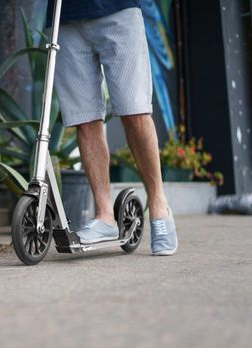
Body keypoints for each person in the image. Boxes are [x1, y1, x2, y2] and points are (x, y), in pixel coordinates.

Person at [47, 0, 177, 255]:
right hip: (65, 16)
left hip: (118, 9)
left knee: (135, 111)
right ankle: (105, 215)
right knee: (85, 120)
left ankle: (159, 204)